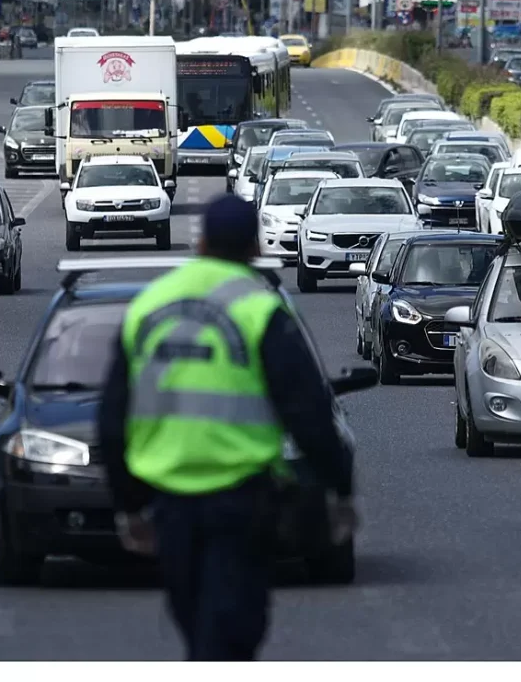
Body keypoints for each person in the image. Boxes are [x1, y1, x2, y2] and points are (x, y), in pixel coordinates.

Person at [98, 194, 357, 661]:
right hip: (242, 499)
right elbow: (308, 410)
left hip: (169, 500)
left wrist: (127, 505)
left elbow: (113, 415)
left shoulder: (149, 305)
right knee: (231, 629)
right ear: (255, 247)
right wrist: (338, 488)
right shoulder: (261, 309)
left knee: (199, 623)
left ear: (200, 243)